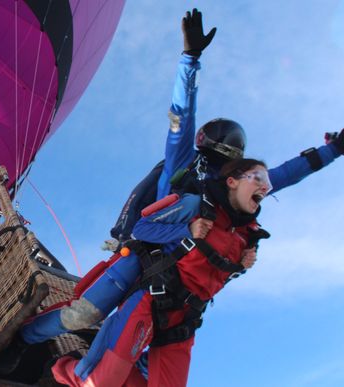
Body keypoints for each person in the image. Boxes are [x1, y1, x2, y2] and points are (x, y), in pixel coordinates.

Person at [17, 8, 343, 348]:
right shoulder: (183, 162)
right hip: (146, 251)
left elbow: (282, 175)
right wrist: (189, 60)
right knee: (83, 315)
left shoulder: (233, 185)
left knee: (133, 336)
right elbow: (181, 116)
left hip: (177, 274)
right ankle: (24, 336)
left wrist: (334, 151)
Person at [51, 158, 271, 386]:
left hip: (184, 321)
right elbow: (141, 228)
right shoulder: (197, 205)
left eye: (269, 184)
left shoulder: (249, 237)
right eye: (259, 178)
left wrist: (242, 268)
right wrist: (187, 230)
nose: (266, 187)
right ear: (232, 181)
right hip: (152, 301)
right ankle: (64, 368)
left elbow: (213, 278)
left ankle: (118, 369)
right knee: (102, 383)